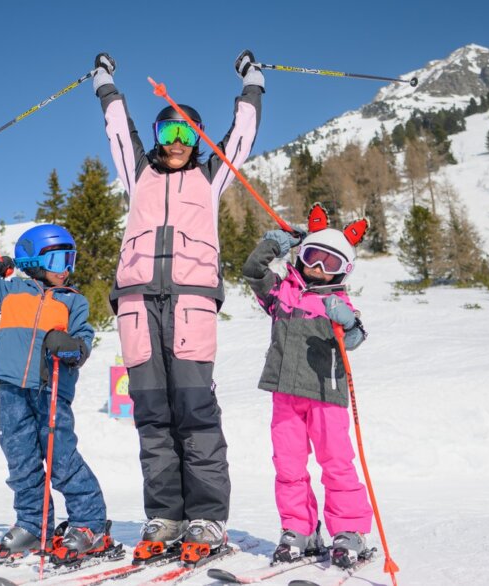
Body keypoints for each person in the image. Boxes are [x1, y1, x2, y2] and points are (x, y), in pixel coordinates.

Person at [90, 50, 264, 563]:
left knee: (195, 413)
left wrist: (252, 82)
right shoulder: (137, 176)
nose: (176, 146)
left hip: (191, 307)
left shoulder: (210, 179)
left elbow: (242, 133)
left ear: (198, 141)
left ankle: (207, 517)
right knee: (152, 416)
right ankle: (165, 515)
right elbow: (118, 129)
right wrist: (105, 83)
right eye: (167, 135)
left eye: (187, 137)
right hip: (138, 309)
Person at [0, 223, 114, 564]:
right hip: (12, 389)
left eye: (70, 261)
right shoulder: (10, 291)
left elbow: (84, 342)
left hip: (51, 389)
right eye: (59, 261)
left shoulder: (73, 301)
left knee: (61, 458)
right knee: (21, 461)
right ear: (32, 260)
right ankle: (34, 525)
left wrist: (71, 347)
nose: (67, 271)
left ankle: (89, 524)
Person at [241, 203, 373, 568]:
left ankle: (350, 531)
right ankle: (299, 528)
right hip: (285, 395)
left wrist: (347, 323)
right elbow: (252, 271)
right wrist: (274, 243)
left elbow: (357, 338)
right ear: (301, 256)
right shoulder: (282, 294)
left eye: (329, 263)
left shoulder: (338, 302)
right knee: (288, 466)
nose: (317, 268)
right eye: (313, 256)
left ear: (343, 270)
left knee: (336, 463)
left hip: (325, 397)